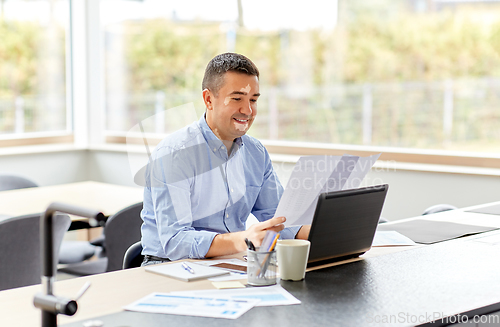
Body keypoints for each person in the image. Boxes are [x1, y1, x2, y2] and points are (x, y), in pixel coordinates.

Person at [140, 53, 310, 266]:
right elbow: (176, 242)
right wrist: (243, 239)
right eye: (237, 99)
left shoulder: (255, 152)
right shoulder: (174, 154)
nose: (247, 110)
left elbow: (282, 221)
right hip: (169, 266)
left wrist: (330, 232)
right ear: (209, 99)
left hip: (230, 263)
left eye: (253, 100)